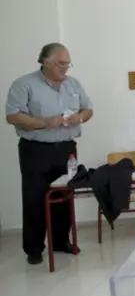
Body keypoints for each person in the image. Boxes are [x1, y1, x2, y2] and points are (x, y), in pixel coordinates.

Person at [5, 43, 93, 265]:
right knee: (35, 198)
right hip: (36, 150)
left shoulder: (73, 84)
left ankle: (61, 241)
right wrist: (44, 123)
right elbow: (13, 116)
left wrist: (80, 117)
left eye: (67, 63)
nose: (66, 68)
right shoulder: (24, 84)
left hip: (66, 149)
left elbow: (88, 108)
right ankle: (34, 249)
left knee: (64, 195)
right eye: (61, 63)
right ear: (46, 62)